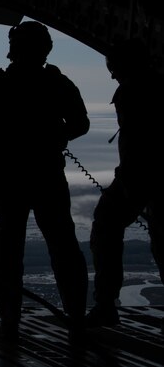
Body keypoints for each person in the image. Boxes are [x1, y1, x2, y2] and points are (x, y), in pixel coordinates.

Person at [0, 21, 90, 342]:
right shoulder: (56, 83)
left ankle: (9, 319)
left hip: (9, 178)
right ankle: (75, 316)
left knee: (8, 249)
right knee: (63, 245)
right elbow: (80, 122)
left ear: (13, 48)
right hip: (47, 175)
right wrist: (57, 137)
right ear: (45, 49)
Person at [86, 38, 164, 328]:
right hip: (145, 176)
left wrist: (128, 180)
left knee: (105, 228)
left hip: (139, 177)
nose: (111, 74)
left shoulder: (131, 92)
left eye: (113, 67)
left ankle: (106, 305)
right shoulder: (151, 87)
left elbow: (139, 143)